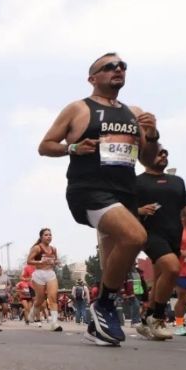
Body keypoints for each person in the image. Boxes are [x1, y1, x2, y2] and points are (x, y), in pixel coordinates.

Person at [39, 52, 159, 346]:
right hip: (89, 189)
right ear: (92, 78)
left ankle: (98, 325)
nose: (118, 70)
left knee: (112, 259)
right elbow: (45, 145)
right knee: (135, 237)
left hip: (125, 193)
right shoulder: (79, 109)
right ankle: (104, 304)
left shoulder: (135, 113)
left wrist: (153, 134)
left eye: (122, 66)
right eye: (109, 67)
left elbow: (149, 159)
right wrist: (73, 148)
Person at [134, 146, 186, 340]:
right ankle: (158, 317)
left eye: (166, 153)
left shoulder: (177, 182)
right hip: (150, 234)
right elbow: (125, 208)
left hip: (174, 235)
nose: (163, 155)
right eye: (159, 152)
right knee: (172, 268)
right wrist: (139, 211)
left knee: (163, 277)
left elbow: (183, 206)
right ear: (144, 157)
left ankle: (145, 321)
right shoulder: (137, 182)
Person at [27, 228, 63, 332]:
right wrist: (40, 262)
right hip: (39, 275)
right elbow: (29, 261)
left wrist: (56, 262)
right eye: (46, 235)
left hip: (50, 274)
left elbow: (55, 260)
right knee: (40, 299)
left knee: (52, 297)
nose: (49, 237)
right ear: (41, 237)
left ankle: (54, 323)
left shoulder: (53, 249)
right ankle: (32, 313)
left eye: (50, 235)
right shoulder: (37, 248)